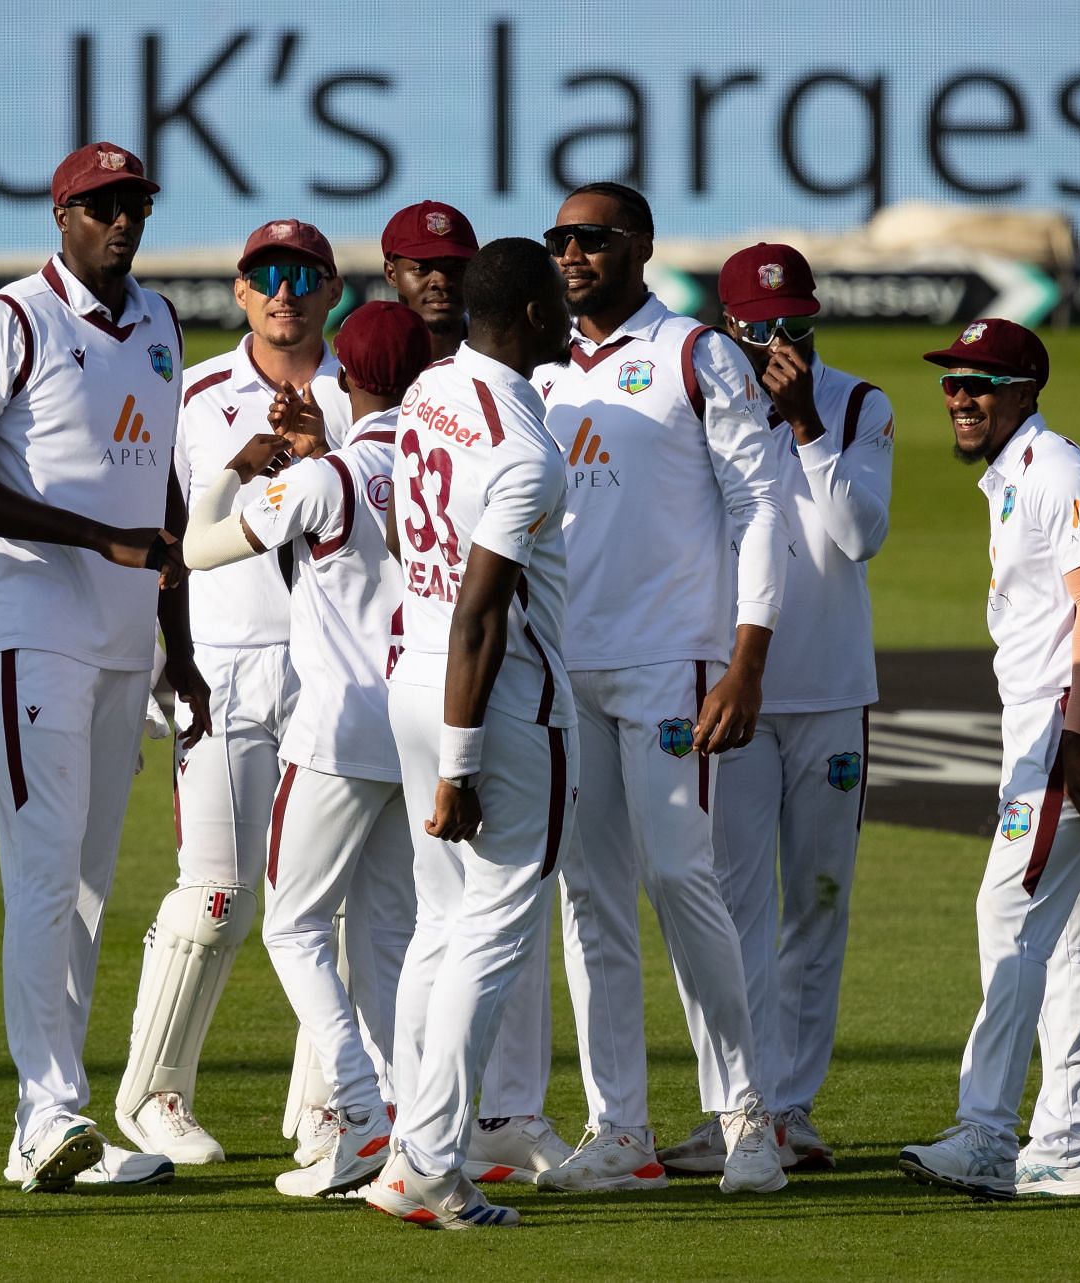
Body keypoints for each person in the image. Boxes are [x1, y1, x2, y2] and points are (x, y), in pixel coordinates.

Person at [0, 142, 209, 1192]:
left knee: (89, 884)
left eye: (133, 204)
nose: (120, 221)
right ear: (60, 214)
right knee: (44, 874)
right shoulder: (8, 320)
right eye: (99, 207)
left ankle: (56, 1123)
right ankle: (46, 1112)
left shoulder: (162, 324)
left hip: (125, 639)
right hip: (27, 626)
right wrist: (93, 537)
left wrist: (180, 646)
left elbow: (166, 499)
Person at [528, 183, 791, 1196]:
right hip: (565, 666)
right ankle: (620, 1129)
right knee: (588, 896)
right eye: (561, 239)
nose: (573, 253)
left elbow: (761, 501)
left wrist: (747, 656)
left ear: (639, 246)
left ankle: (747, 1117)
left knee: (684, 879)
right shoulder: (543, 370)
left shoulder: (694, 352)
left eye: (592, 238)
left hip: (671, 661)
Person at [899, 319, 1080, 1200]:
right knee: (1078, 937)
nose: (960, 398)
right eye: (952, 382)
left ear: (1026, 391)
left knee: (1009, 915)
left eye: (981, 383)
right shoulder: (1025, 474)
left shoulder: (1055, 472)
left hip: (1066, 716)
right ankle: (1067, 1144)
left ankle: (984, 1133)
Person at [175, 300, 428, 1197]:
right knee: (391, 932)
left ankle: (361, 1110)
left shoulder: (330, 477)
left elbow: (201, 548)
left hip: (336, 730)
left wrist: (242, 467)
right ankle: (413, 1132)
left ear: (345, 378)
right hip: (420, 727)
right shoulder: (440, 465)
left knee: (292, 924)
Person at [115, 219, 351, 1164]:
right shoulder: (197, 390)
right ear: (242, 292)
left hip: (339, 670)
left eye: (301, 274)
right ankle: (155, 1096)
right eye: (264, 275)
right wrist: (155, 655)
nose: (283, 290)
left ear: (331, 287)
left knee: (336, 901)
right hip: (221, 660)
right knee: (215, 893)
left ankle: (332, 1100)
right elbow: (157, 528)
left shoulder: (368, 392)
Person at [366, 237, 576, 1230]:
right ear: (533, 314)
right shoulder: (527, 448)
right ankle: (427, 1161)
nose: (574, 309)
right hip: (496, 701)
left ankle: (411, 1140)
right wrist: (463, 762)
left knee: (442, 924)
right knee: (494, 928)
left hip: (413, 677)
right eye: (559, 299)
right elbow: (483, 614)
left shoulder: (429, 391)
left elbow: (423, 553)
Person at [693, 243, 895, 1174]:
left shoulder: (859, 404)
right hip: (731, 692)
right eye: (762, 327)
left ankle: (792, 1108)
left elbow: (858, 534)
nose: (782, 342)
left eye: (798, 325)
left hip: (830, 695)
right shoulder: (701, 404)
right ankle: (738, 1107)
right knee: (732, 908)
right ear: (729, 327)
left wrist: (809, 424)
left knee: (818, 901)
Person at [383, 200, 477, 361]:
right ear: (391, 274)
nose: (441, 282)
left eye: (457, 268)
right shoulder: (367, 363)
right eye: (421, 269)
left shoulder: (508, 359)